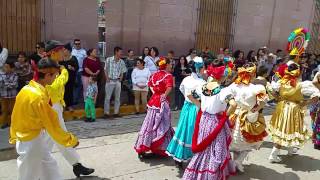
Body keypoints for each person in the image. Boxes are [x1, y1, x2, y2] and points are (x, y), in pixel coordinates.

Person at [9, 58, 79, 180]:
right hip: (31, 141)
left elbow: (14, 117)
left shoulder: (25, 90)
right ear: (47, 75)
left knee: (48, 165)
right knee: (28, 175)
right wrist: (70, 140)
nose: (55, 79)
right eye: (54, 76)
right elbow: (53, 126)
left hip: (29, 138)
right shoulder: (39, 97)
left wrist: (14, 135)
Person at [44, 40, 94, 177]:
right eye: (61, 50)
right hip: (49, 108)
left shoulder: (57, 66)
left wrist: (63, 71)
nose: (64, 52)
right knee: (57, 138)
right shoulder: (47, 68)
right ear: (53, 52)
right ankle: (73, 165)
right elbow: (52, 87)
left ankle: (76, 165)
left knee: (54, 138)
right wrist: (64, 72)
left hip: (56, 106)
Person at [182, 64, 236, 180]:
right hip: (215, 122)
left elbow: (189, 95)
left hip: (204, 120)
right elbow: (233, 104)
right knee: (216, 148)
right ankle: (210, 174)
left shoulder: (204, 87)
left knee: (204, 146)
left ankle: (198, 171)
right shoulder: (223, 91)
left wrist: (201, 106)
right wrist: (225, 115)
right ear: (222, 77)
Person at [268, 60, 320, 163]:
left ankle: (290, 149)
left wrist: (278, 98)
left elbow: (271, 89)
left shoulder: (281, 82)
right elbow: (316, 96)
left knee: (285, 129)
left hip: (281, 107)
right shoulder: (301, 85)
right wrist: (305, 103)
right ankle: (273, 154)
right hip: (293, 109)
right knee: (285, 130)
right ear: (298, 73)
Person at [228, 63, 268, 172]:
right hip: (249, 116)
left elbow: (226, 96)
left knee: (234, 141)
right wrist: (255, 109)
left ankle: (234, 163)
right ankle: (238, 162)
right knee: (249, 143)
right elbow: (263, 101)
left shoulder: (235, 85)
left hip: (235, 115)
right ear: (253, 74)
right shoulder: (257, 88)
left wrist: (232, 103)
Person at [166, 56, 206, 166]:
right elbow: (202, 98)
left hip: (186, 106)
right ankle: (189, 156)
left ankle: (178, 155)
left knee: (182, 128)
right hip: (195, 108)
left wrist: (186, 99)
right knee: (191, 131)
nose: (204, 70)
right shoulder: (201, 82)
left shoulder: (186, 79)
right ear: (199, 69)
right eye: (203, 68)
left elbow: (182, 89)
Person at [134, 57, 175, 158]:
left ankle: (144, 145)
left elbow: (151, 86)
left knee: (149, 123)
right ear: (166, 65)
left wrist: (156, 94)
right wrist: (164, 96)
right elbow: (169, 87)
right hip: (161, 102)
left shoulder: (154, 75)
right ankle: (160, 147)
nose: (171, 66)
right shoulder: (168, 76)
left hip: (153, 101)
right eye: (170, 64)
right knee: (162, 123)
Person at [104, 46, 127, 118]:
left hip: (117, 81)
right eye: (120, 52)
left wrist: (121, 77)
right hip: (110, 80)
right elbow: (105, 69)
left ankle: (116, 112)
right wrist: (107, 78)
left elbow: (123, 70)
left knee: (117, 98)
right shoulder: (109, 60)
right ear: (116, 52)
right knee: (107, 97)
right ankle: (106, 113)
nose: (121, 53)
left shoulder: (121, 61)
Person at [60, 43, 79, 110]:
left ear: (68, 50)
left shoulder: (73, 58)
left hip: (71, 78)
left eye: (64, 50)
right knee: (63, 92)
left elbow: (77, 68)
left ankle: (70, 105)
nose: (63, 51)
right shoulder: (61, 59)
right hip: (62, 79)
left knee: (70, 91)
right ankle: (63, 105)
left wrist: (72, 68)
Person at [0, 59, 18, 129]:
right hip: (4, 96)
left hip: (12, 96)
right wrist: (9, 84)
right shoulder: (1, 74)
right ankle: (4, 123)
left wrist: (6, 84)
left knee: (12, 110)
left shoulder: (15, 74)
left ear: (12, 68)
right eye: (4, 67)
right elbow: (0, 85)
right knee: (4, 110)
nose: (5, 68)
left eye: (7, 67)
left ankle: (11, 123)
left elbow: (15, 85)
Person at [72, 39, 87, 104]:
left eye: (79, 44)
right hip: (74, 71)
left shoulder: (83, 51)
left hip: (81, 71)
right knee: (75, 85)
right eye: (76, 44)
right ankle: (75, 100)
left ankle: (79, 99)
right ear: (74, 44)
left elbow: (86, 61)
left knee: (81, 85)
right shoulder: (72, 51)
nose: (78, 45)